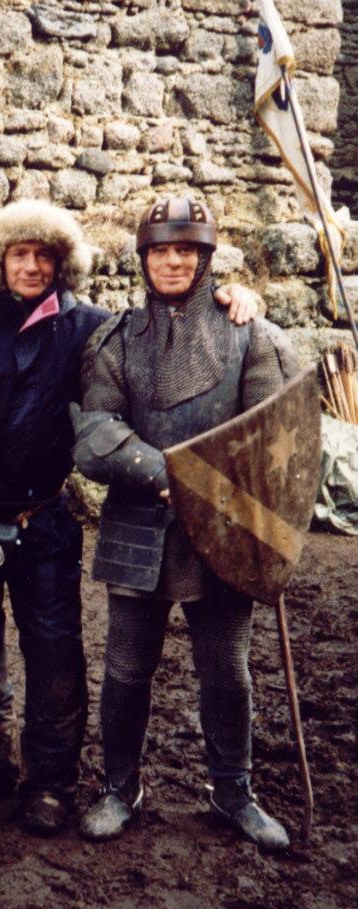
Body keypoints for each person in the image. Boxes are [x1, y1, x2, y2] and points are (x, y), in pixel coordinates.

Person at [0, 200, 260, 837]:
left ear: (63, 264)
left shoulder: (91, 328)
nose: (31, 266)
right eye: (20, 254)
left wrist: (234, 298)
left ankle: (50, 782)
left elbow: (168, 336)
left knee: (54, 651)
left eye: (44, 256)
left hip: (44, 517)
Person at [73, 196, 297, 851]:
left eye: (186, 251)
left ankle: (234, 792)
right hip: (138, 525)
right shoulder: (115, 340)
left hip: (225, 533)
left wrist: (225, 496)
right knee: (124, 669)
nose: (172, 261)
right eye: (161, 250)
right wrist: (168, 473)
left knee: (227, 671)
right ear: (143, 257)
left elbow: (272, 437)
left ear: (205, 258)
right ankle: (121, 788)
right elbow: (95, 434)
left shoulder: (250, 335)